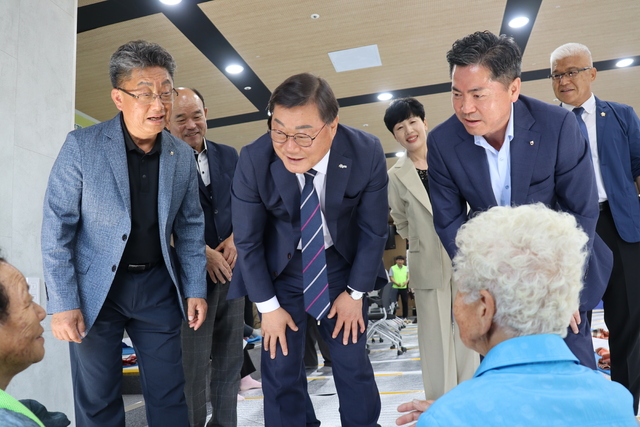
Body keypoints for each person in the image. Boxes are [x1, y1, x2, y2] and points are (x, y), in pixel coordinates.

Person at [41, 40, 207, 427]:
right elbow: (57, 228)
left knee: (169, 394)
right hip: (97, 291)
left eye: (166, 92)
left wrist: (195, 287)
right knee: (98, 399)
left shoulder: (180, 155)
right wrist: (63, 302)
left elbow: (190, 225)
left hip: (157, 288)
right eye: (145, 93)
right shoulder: (83, 146)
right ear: (119, 97)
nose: (159, 104)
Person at [427, 30, 612, 369]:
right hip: (493, 280)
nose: (465, 108)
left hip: (560, 271)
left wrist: (563, 286)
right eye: (456, 94)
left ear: (513, 88)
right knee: (504, 374)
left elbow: (581, 210)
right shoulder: (442, 142)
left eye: (478, 95)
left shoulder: (557, 127)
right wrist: (487, 285)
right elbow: (449, 222)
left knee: (571, 366)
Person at [230, 72, 388, 427]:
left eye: (303, 134)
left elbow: (373, 230)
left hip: (339, 267)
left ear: (332, 126)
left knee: (351, 363)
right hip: (281, 271)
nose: (289, 146)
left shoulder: (365, 152)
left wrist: (356, 294)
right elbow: (248, 241)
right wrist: (268, 308)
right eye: (279, 130)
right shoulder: (255, 159)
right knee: (280, 367)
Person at [396, 204, 637, 427]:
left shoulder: (447, 418)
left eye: (461, 287)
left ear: (484, 307)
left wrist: (451, 414)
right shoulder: (616, 402)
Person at [550, 43, 640, 413]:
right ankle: (582, 406)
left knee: (629, 315)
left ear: (591, 73)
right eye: (556, 74)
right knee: (571, 317)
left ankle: (625, 404)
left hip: (621, 225)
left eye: (571, 71)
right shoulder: (547, 124)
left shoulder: (620, 116)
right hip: (571, 230)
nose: (564, 80)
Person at [385, 98, 478, 400]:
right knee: (434, 336)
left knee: (469, 328)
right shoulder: (395, 176)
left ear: (425, 123)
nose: (408, 130)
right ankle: (440, 401)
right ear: (395, 136)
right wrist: (423, 241)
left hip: (463, 256)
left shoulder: (450, 157)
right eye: (400, 127)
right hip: (425, 261)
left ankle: (468, 396)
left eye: (413, 122)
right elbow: (400, 220)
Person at [168, 88, 244, 427]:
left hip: (233, 275)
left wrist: (236, 238)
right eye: (180, 118)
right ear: (167, 121)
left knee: (230, 364)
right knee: (193, 369)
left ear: (206, 113)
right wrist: (203, 252)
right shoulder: (160, 161)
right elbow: (158, 222)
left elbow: (249, 205)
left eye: (196, 115)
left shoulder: (230, 156)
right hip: (189, 281)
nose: (191, 124)